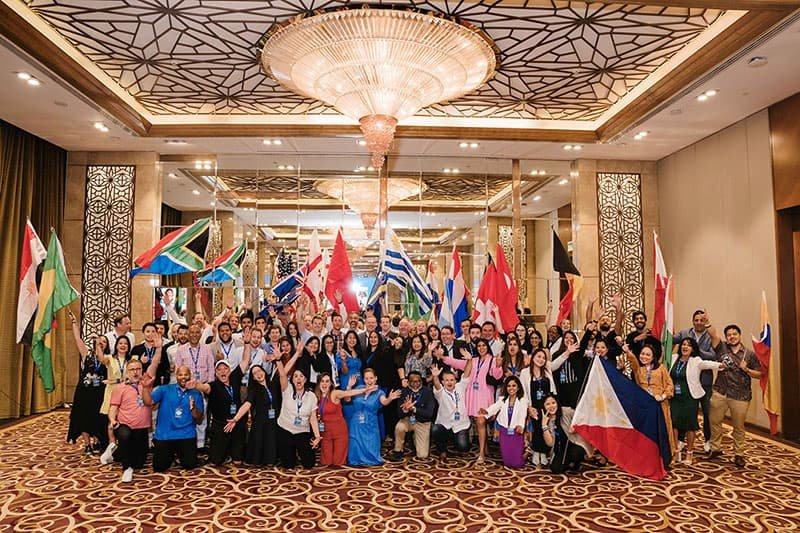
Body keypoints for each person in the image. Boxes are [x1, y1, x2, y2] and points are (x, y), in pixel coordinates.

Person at [439, 338, 503, 463]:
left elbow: (497, 376)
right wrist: (442, 357)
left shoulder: (493, 360)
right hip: (472, 396)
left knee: (480, 421)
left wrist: (499, 366)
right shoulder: (473, 360)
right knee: (478, 422)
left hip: (484, 395)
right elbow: (456, 363)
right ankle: (485, 447)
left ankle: (481, 454)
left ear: (487, 347)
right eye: (479, 346)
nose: (481, 348)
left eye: (483, 345)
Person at [708, 322, 762, 467]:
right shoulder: (722, 348)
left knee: (738, 427)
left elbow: (760, 374)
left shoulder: (749, 354)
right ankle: (715, 448)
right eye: (729, 335)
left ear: (739, 336)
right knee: (715, 422)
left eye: (734, 334)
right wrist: (707, 322)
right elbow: (713, 334)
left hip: (740, 396)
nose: (732, 337)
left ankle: (739, 454)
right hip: (720, 392)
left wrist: (747, 370)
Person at [669, 337, 723, 465]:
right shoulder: (672, 358)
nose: (685, 347)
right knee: (674, 424)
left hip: (690, 397)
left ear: (693, 348)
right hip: (675, 397)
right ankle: (676, 451)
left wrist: (720, 365)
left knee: (690, 425)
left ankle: (689, 452)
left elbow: (707, 364)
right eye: (683, 344)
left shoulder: (695, 360)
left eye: (688, 345)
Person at [142, 364, 204, 472]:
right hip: (165, 434)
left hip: (186, 434)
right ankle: (171, 456)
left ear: (190, 376)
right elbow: (149, 402)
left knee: (190, 465)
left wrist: (193, 408)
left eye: (186, 374)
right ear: (176, 376)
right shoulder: (165, 389)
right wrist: (146, 388)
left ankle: (178, 456)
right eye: (180, 374)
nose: (183, 377)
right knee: (159, 467)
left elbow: (198, 419)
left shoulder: (196, 393)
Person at [193, 353, 250, 466]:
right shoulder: (213, 385)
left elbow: (245, 360)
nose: (222, 371)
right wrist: (195, 385)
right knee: (215, 461)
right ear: (216, 373)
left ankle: (233, 449)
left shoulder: (235, 378)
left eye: (225, 368)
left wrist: (247, 343)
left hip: (237, 423)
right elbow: (204, 387)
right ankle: (224, 448)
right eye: (219, 369)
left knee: (238, 461)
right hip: (220, 425)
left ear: (229, 370)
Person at [673, 309, 716, 452]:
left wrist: (696, 351)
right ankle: (680, 440)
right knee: (685, 412)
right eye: (696, 320)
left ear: (705, 322)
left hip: (705, 381)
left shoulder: (710, 336)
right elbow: (671, 340)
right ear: (692, 321)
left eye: (701, 320)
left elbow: (713, 355)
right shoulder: (685, 333)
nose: (698, 322)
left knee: (707, 412)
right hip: (685, 382)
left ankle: (708, 439)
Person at [625, 342, 677, 458]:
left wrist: (663, 396)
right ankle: (646, 456)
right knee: (646, 431)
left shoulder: (661, 368)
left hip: (660, 405)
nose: (644, 357)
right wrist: (627, 352)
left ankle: (663, 457)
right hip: (644, 406)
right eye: (642, 354)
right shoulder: (639, 370)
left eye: (648, 355)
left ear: (653, 357)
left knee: (661, 431)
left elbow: (670, 385)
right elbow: (633, 362)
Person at [67, 310, 108, 454]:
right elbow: (77, 338)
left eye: (104, 341)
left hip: (99, 393)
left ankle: (97, 442)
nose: (101, 343)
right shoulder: (87, 354)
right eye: (100, 340)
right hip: (84, 392)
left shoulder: (107, 359)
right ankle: (87, 445)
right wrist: (74, 322)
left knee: (97, 418)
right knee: (83, 418)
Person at [109, 359, 153, 482]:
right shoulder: (120, 388)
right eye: (132, 370)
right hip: (124, 425)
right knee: (125, 435)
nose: (135, 372)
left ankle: (115, 452)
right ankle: (127, 469)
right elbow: (113, 407)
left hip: (141, 428)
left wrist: (145, 387)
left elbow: (151, 403)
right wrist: (112, 420)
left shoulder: (147, 386)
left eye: (138, 369)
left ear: (142, 371)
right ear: (127, 372)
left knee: (139, 463)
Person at [276, 350, 321, 468]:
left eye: (301, 376)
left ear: (305, 379)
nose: (298, 379)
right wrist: (278, 360)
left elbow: (313, 418)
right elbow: (282, 374)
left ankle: (300, 452)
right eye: (295, 376)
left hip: (302, 431)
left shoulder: (311, 396)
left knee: (309, 464)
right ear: (292, 380)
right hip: (285, 429)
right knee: (288, 465)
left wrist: (317, 436)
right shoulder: (287, 389)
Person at [227, 364, 279, 466]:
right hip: (261, 422)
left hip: (274, 421)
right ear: (253, 378)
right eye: (255, 373)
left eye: (259, 371)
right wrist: (235, 419)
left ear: (264, 371)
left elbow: (283, 374)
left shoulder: (273, 384)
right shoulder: (254, 390)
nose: (258, 374)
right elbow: (247, 404)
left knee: (271, 460)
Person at [347, 368, 401, 466]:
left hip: (370, 424)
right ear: (363, 379)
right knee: (355, 451)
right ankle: (357, 458)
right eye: (366, 378)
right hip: (356, 424)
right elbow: (347, 399)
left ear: (375, 378)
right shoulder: (359, 388)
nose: (369, 381)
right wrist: (349, 386)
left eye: (371, 378)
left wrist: (390, 398)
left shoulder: (379, 393)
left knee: (372, 453)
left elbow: (384, 402)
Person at [315, 373, 372, 466]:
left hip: (339, 431)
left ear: (330, 384)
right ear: (319, 383)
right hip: (325, 432)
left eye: (327, 381)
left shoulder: (334, 393)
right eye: (322, 381)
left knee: (338, 462)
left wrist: (365, 390)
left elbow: (348, 393)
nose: (324, 384)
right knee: (326, 462)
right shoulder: (316, 396)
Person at [175, 324, 215, 449]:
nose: (194, 335)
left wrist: (208, 387)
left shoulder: (207, 349)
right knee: (187, 415)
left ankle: (200, 444)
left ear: (201, 334)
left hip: (202, 388)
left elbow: (211, 369)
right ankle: (188, 443)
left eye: (197, 332)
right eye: (191, 332)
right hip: (186, 388)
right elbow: (177, 369)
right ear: (188, 334)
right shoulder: (181, 350)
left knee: (201, 416)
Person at [480, 376, 529, 468]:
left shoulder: (523, 400)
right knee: (507, 463)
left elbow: (523, 414)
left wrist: (520, 425)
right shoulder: (502, 399)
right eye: (509, 386)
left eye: (514, 386)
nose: (511, 388)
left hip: (516, 431)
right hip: (504, 431)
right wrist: (486, 411)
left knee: (517, 464)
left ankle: (525, 454)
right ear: (506, 388)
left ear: (518, 387)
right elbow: (494, 407)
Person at [521, 348, 557, 467]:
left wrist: (553, 405)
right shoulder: (525, 372)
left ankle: (543, 452)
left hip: (547, 406)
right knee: (536, 428)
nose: (541, 359)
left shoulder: (547, 372)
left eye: (543, 358)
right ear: (533, 358)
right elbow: (523, 393)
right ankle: (536, 451)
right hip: (533, 406)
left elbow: (552, 389)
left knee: (545, 427)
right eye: (538, 357)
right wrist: (528, 407)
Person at [99, 335, 132, 465]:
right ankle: (111, 445)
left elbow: (132, 377)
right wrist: (98, 346)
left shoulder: (132, 360)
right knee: (112, 420)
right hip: (112, 392)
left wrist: (115, 380)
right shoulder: (110, 359)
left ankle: (122, 447)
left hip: (126, 392)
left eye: (125, 343)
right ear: (116, 345)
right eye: (120, 343)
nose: (123, 345)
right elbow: (100, 359)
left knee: (123, 420)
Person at [430, 361, 473, 462]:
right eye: (446, 380)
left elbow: (466, 373)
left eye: (452, 380)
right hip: (444, 424)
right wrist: (435, 376)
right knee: (435, 429)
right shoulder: (440, 392)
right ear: (443, 382)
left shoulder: (460, 387)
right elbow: (436, 385)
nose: (449, 382)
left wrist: (469, 360)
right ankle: (442, 450)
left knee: (463, 447)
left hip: (460, 425)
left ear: (455, 381)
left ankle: (457, 440)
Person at [389, 371, 436, 460]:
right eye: (413, 381)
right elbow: (399, 414)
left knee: (422, 455)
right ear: (408, 382)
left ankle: (416, 438)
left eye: (418, 381)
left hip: (423, 422)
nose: (416, 384)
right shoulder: (404, 392)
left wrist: (414, 409)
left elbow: (429, 414)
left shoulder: (428, 392)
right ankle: (398, 450)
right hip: (408, 420)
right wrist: (405, 409)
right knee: (400, 427)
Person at [541, 394, 591, 474]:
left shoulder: (566, 411)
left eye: (553, 403)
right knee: (555, 469)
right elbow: (550, 443)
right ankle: (569, 463)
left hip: (574, 443)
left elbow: (582, 418)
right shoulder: (546, 419)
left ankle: (576, 462)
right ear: (544, 407)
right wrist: (544, 426)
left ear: (557, 403)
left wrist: (575, 427)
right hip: (560, 449)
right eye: (547, 404)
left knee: (575, 454)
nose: (551, 406)